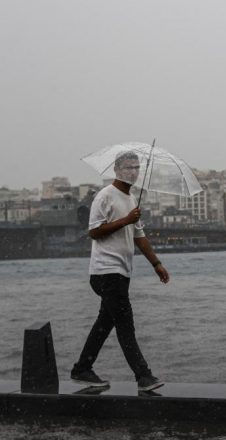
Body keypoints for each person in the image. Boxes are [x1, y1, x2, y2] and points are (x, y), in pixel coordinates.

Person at [70, 151, 170, 392]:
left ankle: (82, 368)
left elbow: (139, 236)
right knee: (126, 324)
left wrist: (156, 264)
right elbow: (94, 231)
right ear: (116, 169)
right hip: (105, 272)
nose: (133, 172)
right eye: (128, 167)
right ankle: (143, 376)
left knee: (105, 323)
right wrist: (126, 220)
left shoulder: (132, 199)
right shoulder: (105, 196)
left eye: (136, 168)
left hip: (121, 273)